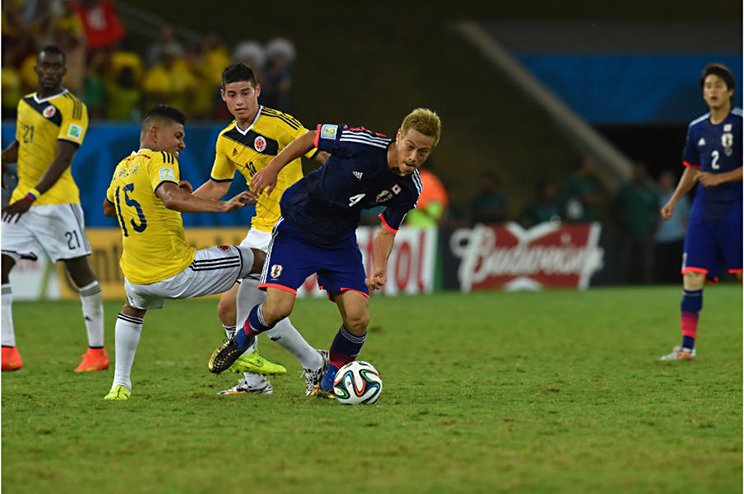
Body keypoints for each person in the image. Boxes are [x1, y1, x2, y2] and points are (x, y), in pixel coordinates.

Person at [208, 108, 442, 399]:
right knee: (277, 310)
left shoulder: (409, 187)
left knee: (358, 318)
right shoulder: (362, 142)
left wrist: (379, 267)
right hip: (298, 228)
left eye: (423, 152)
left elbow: (387, 230)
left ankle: (327, 381)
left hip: (339, 242)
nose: (413, 157)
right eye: (410, 147)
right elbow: (310, 138)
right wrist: (273, 169)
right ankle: (240, 341)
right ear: (399, 136)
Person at [102, 104, 264, 400]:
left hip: (136, 276)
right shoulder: (161, 158)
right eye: (177, 135)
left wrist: (169, 192)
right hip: (176, 271)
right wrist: (223, 205)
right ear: (154, 133)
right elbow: (169, 197)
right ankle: (243, 350)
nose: (182, 144)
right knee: (259, 260)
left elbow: (109, 208)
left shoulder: (123, 166)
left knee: (132, 309)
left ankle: (120, 385)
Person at [193, 63, 327, 395]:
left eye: (245, 93)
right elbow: (217, 185)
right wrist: (179, 201)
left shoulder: (279, 124)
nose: (240, 101)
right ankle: (259, 379)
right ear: (223, 97)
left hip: (290, 225)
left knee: (262, 313)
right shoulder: (225, 139)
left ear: (258, 91)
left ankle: (312, 364)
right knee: (227, 308)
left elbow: (319, 151)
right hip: (259, 228)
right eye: (232, 95)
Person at [1, 45, 108, 373]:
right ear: (35, 68)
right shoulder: (24, 104)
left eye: (55, 67)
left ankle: (97, 352)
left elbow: (63, 157)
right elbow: (24, 144)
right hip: (23, 202)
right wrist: (4, 159)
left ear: (64, 72)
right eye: (44, 65)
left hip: (56, 203)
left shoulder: (73, 108)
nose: (49, 71)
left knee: (78, 273)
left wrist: (31, 196)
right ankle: (7, 351)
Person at [659, 63, 742, 361]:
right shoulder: (696, 128)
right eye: (708, 86)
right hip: (704, 211)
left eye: (718, 85)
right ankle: (687, 347)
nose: (713, 91)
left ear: (730, 90)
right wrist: (673, 200)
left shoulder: (741, 122)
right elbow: (692, 169)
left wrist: (723, 177)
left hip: (736, 207)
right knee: (692, 274)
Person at [612, 163, 659, 285]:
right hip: (628, 231)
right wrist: (620, 223)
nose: (639, 175)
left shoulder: (650, 191)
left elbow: (657, 211)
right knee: (625, 260)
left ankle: (645, 284)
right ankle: (623, 284)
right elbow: (615, 207)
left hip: (645, 231)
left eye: (641, 173)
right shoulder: (626, 190)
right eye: (637, 173)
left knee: (646, 261)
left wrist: (654, 228)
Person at [654, 169, 689, 283]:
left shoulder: (681, 198)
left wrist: (687, 235)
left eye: (668, 179)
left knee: (676, 266)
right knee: (663, 267)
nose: (666, 182)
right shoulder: (656, 197)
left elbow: (685, 217)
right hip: (661, 237)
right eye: (664, 180)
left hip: (677, 236)